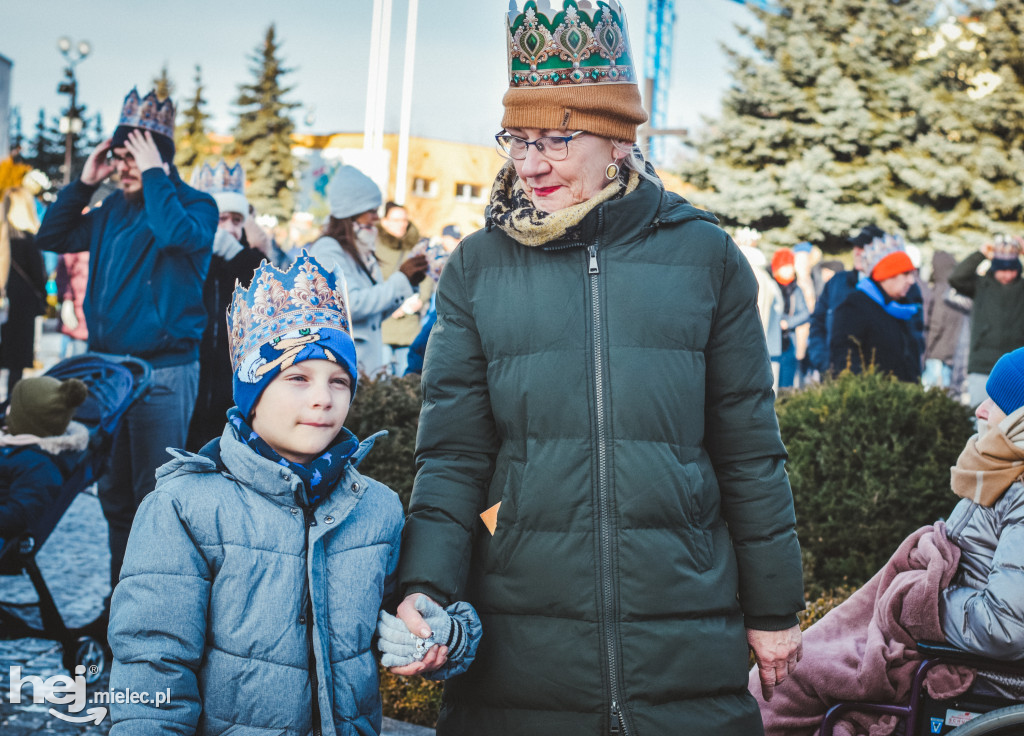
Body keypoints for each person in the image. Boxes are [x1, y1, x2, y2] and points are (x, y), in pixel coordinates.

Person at [391, 2, 805, 734]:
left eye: (556, 138)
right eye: (517, 139)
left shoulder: (706, 259)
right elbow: (454, 454)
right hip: (523, 633)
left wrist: (774, 608)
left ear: (616, 139)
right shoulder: (480, 268)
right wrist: (425, 584)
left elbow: (747, 450)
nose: (530, 162)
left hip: (684, 631)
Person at [106, 253, 480, 736]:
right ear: (253, 392)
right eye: (297, 378)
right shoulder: (184, 508)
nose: (323, 398)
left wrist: (440, 635)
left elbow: (409, 615)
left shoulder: (377, 509)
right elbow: (151, 666)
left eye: (339, 381)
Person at [753, 346, 1024, 734]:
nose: (980, 409)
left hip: (975, 667)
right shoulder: (1004, 470)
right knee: (802, 669)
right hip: (956, 645)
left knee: (802, 678)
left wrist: (921, 600)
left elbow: (1007, 626)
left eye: (996, 403)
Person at [33, 88, 216, 589]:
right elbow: (52, 238)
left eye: (132, 154)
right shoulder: (111, 209)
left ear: (157, 155)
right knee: (113, 496)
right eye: (117, 155)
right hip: (110, 373)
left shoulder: (197, 205)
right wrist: (84, 183)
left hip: (164, 373)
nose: (121, 165)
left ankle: (153, 611)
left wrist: (156, 173)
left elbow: (177, 235)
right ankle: (119, 605)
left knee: (152, 499)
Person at [308, 166, 428, 376]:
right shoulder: (328, 249)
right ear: (352, 212)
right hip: (342, 366)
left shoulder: (360, 252)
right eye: (371, 211)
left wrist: (408, 283)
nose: (376, 218)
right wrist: (401, 278)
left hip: (363, 366)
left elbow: (374, 314)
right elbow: (351, 304)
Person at [185, 160, 266, 451]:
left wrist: (252, 257)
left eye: (236, 220)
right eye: (220, 219)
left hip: (229, 394)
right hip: (189, 388)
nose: (230, 229)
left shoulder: (249, 263)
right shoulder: (188, 260)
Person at [0, 376, 88, 538]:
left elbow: (17, 517)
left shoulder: (39, 465)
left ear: (27, 420)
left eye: (13, 407)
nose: (6, 411)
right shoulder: (12, 445)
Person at [829, 233, 922, 382]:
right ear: (887, 275)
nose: (911, 281)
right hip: (872, 398)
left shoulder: (905, 308)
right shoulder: (854, 307)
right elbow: (845, 359)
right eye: (905, 274)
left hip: (905, 399)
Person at [949, 235, 1024, 408]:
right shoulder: (981, 285)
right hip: (982, 365)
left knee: (1012, 424)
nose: (1007, 275)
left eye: (1011, 270)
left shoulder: (1022, 288)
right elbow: (956, 278)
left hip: (1015, 369)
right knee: (980, 418)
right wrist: (981, 253)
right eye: (1002, 270)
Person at [807, 225, 882, 377]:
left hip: (876, 379)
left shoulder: (888, 287)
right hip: (833, 376)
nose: (858, 251)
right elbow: (817, 323)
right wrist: (823, 362)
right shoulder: (837, 283)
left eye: (864, 247)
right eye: (856, 246)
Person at [0, 189, 47, 397]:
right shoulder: (28, 241)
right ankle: (9, 407)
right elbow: (39, 276)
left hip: (10, 305)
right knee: (16, 363)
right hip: (20, 308)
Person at [377, 201, 431, 376]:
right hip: (382, 322)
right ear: (384, 221)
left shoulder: (416, 246)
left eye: (404, 220)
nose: (401, 224)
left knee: (405, 377)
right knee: (379, 376)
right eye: (396, 220)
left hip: (409, 324)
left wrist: (421, 299)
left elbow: (427, 278)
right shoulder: (373, 247)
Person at [404, 225, 462, 376]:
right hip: (435, 300)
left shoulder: (460, 254)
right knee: (426, 341)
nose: (456, 242)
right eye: (452, 239)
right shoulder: (432, 252)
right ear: (444, 238)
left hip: (447, 301)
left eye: (457, 239)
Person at [922, 250, 971, 393]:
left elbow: (936, 324)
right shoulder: (957, 291)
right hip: (953, 352)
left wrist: (927, 349)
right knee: (948, 394)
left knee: (930, 394)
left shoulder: (940, 291)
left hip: (936, 353)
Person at [771, 247, 810, 389]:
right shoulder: (770, 285)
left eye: (790, 266)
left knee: (786, 386)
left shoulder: (795, 289)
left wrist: (787, 322)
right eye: (785, 267)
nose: (789, 270)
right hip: (770, 342)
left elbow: (805, 314)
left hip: (788, 343)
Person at [56, 252, 89, 359]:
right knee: (79, 358)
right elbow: (64, 271)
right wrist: (67, 299)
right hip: (80, 313)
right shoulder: (77, 247)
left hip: (100, 318)